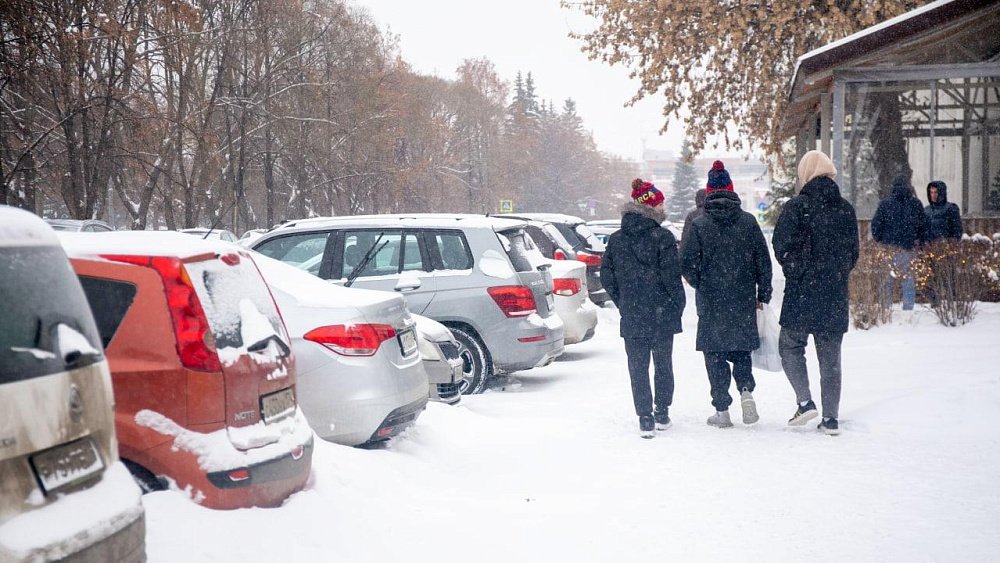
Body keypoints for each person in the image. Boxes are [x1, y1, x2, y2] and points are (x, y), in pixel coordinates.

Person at [772, 150, 859, 436]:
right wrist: (836, 273)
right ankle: (831, 418)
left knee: (790, 346)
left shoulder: (797, 207)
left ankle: (805, 401)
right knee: (831, 358)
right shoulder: (846, 209)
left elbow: (781, 244)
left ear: (806, 173)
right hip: (834, 293)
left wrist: (797, 269)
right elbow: (853, 253)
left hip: (802, 292)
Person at [681, 161, 772, 428]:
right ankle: (746, 391)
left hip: (711, 300)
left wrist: (701, 283)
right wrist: (762, 293)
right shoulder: (748, 222)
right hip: (743, 297)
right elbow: (762, 261)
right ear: (731, 190)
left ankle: (722, 410)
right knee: (741, 350)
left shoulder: (699, 224)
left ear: (708, 192)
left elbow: (687, 262)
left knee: (715, 353)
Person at [601, 178, 686, 439]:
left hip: (633, 313)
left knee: (637, 366)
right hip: (661, 312)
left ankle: (644, 417)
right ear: (651, 206)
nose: (664, 206)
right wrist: (676, 305)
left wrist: (622, 301)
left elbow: (607, 275)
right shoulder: (663, 237)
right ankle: (662, 411)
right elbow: (672, 277)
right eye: (661, 202)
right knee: (663, 364)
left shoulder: (616, 240)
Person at [871, 175, 927, 311]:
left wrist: (880, 239)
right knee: (908, 279)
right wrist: (919, 242)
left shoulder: (885, 204)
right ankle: (908, 307)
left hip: (889, 247)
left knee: (887, 280)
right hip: (908, 247)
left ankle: (886, 308)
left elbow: (876, 225)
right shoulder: (915, 204)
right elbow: (923, 226)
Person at [680, 188, 707, 253]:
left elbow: (685, 239)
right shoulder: (712, 213)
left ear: (696, 200)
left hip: (695, 254)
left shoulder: (691, 216)